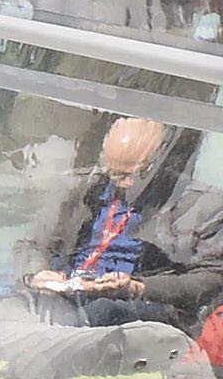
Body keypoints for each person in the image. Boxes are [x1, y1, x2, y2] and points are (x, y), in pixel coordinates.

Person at [13, 117, 222, 331]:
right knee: (4, 305)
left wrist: (138, 287)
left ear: (160, 161)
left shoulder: (202, 206)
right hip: (69, 292)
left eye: (135, 174)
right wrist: (37, 273)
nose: (126, 184)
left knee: (101, 312)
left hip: (143, 308)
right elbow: (31, 244)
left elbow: (213, 278)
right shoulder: (78, 190)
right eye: (115, 174)